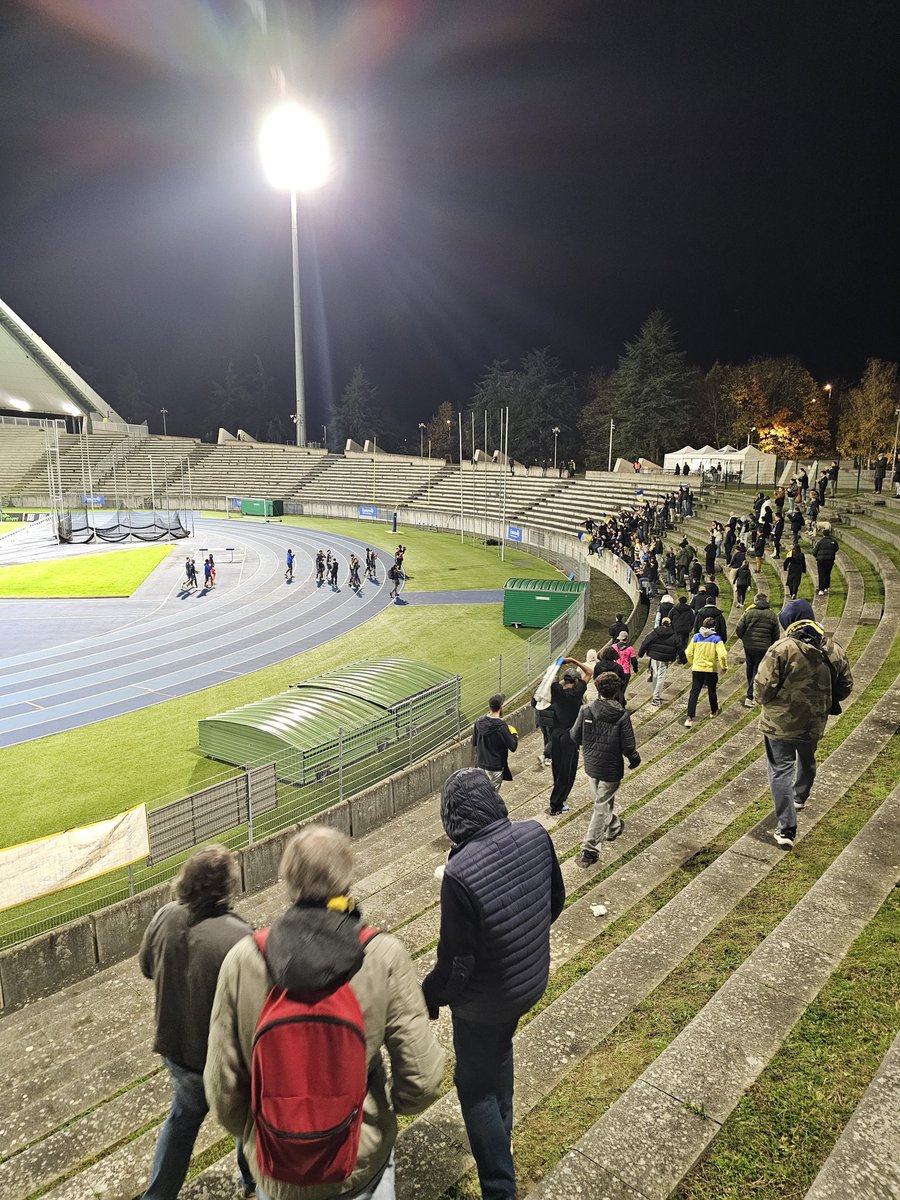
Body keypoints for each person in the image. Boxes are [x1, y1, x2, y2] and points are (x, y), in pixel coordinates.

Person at [206, 827, 444, 1200]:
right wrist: (381, 1117)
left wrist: (265, 1133)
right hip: (359, 1162)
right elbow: (423, 1081)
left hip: (277, 1166)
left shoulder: (241, 960)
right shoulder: (383, 955)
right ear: (347, 878)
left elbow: (223, 1089)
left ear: (288, 881)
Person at [421, 769, 564, 1200]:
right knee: (498, 1054)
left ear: (452, 819)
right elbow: (555, 902)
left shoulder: (459, 873)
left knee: (475, 1089)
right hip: (530, 980)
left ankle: (500, 1189)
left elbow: (457, 963)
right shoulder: (536, 833)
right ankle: (503, 1135)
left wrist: (429, 995)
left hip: (486, 1004)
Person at [140, 846, 254, 1200]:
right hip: (223, 1057)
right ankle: (253, 1181)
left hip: (175, 1049)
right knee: (248, 1118)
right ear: (227, 886)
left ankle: (158, 1195)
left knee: (183, 1119)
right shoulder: (240, 935)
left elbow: (146, 967)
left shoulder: (165, 915)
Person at [754, 619, 853, 849]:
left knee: (780, 770)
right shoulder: (835, 650)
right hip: (814, 721)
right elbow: (845, 687)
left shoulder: (782, 649)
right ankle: (799, 797)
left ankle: (786, 828)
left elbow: (762, 689)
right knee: (807, 759)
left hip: (780, 724)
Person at [570, 672, 640, 865]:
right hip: (610, 767)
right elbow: (628, 746)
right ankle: (591, 847)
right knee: (601, 804)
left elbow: (575, 736)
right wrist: (634, 759)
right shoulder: (622, 715)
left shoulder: (586, 710)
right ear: (617, 690)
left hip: (592, 764)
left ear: (598, 689)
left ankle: (605, 833)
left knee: (601, 803)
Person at [547, 663, 588, 814]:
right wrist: (574, 660)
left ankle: (557, 799)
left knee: (557, 768)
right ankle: (557, 803)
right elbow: (589, 672)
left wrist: (560, 664)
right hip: (570, 737)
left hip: (556, 735)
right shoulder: (577, 693)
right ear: (576, 681)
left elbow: (552, 677)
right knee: (567, 771)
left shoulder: (557, 690)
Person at [734, 592, 780, 708]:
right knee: (756, 668)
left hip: (749, 645)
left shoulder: (748, 613)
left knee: (750, 667)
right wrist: (771, 644)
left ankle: (750, 692)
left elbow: (739, 628)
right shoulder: (772, 615)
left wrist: (744, 638)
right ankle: (750, 695)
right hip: (764, 647)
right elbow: (776, 634)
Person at [684, 616, 727, 728]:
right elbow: (723, 655)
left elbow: (688, 652)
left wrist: (692, 662)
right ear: (713, 627)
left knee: (694, 692)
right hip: (710, 669)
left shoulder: (696, 637)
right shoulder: (716, 639)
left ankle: (689, 717)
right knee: (711, 691)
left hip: (697, 668)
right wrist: (724, 667)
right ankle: (714, 710)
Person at [471, 693, 518, 792]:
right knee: (492, 795)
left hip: (480, 764)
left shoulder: (478, 722)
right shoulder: (502, 727)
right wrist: (513, 733)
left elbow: (474, 742)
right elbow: (513, 746)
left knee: (481, 793)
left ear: (489, 706)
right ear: (501, 707)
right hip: (495, 767)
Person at [638, 616, 686, 706]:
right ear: (670, 624)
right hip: (664, 659)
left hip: (654, 657)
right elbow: (680, 648)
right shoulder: (674, 635)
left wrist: (641, 654)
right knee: (661, 677)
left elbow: (645, 642)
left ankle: (655, 694)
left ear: (661, 623)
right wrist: (684, 660)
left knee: (655, 676)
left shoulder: (655, 632)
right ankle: (656, 698)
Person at [812, 524, 839, 595]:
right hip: (830, 560)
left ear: (823, 535)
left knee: (821, 574)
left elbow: (814, 552)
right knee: (827, 573)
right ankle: (826, 587)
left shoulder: (820, 542)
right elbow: (836, 549)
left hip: (821, 560)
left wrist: (817, 556)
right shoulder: (833, 541)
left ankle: (821, 590)